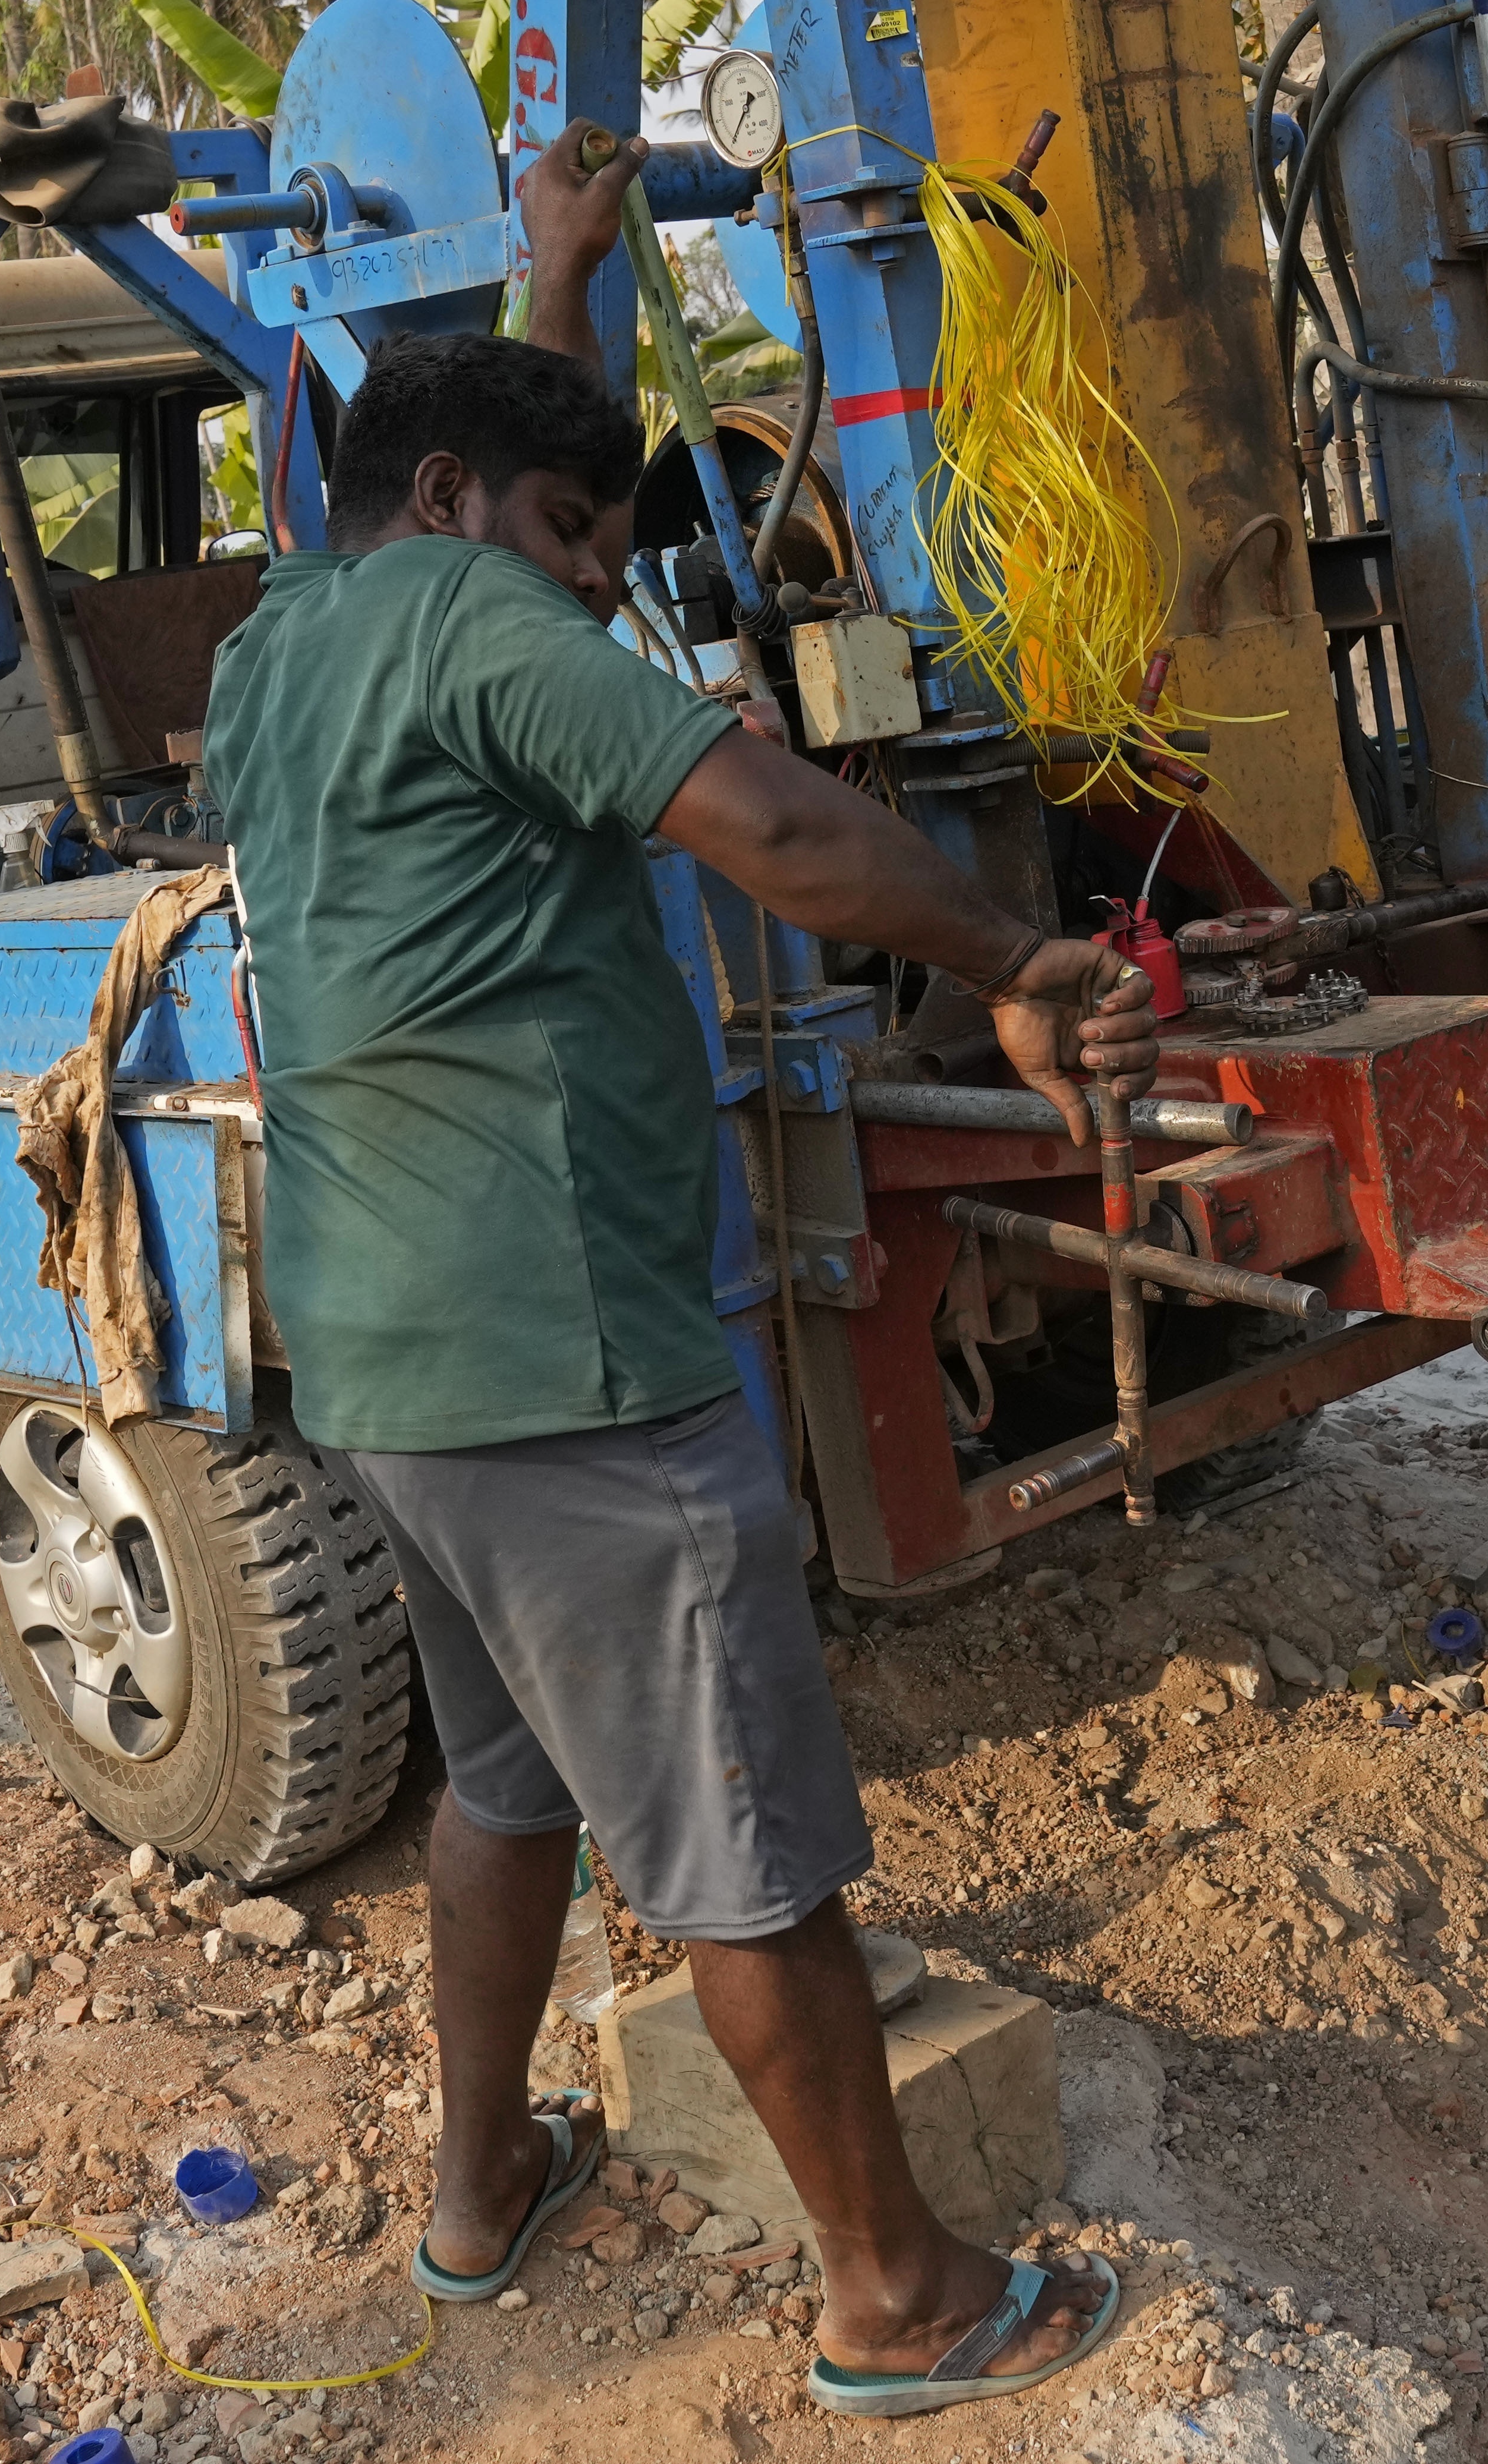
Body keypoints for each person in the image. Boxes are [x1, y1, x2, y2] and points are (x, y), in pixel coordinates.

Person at [205, 131, 1138, 2413]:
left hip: (383, 1351)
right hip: (571, 1356)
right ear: (452, 501)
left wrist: (560, 274)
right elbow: (783, 830)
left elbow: (498, 513)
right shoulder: (467, 607)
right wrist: (1015, 947)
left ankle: (475, 2184)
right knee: (740, 1847)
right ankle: (896, 2300)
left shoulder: (281, 643)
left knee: (508, 1785)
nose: (586, 601)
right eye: (574, 551)